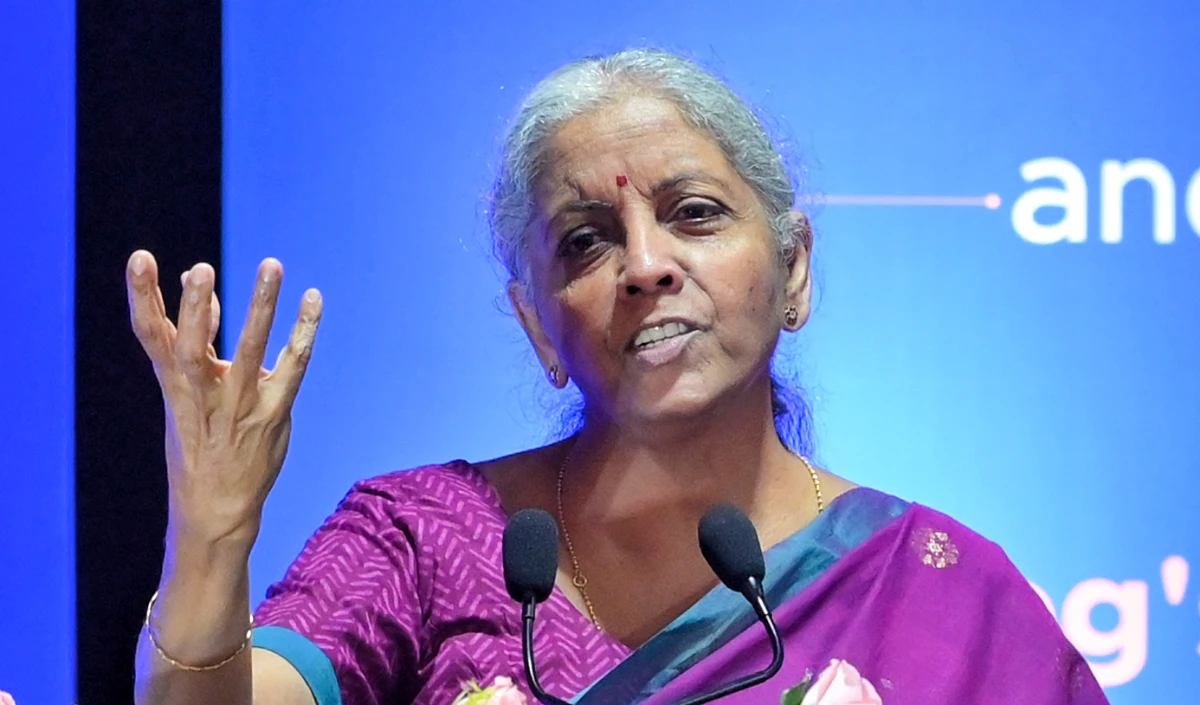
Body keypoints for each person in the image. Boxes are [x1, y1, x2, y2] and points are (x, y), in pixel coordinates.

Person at [128, 49, 1108, 705]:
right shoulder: (423, 541)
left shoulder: (943, 592)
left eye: (694, 213)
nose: (644, 265)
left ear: (796, 269)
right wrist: (210, 538)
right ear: (539, 327)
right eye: (587, 241)